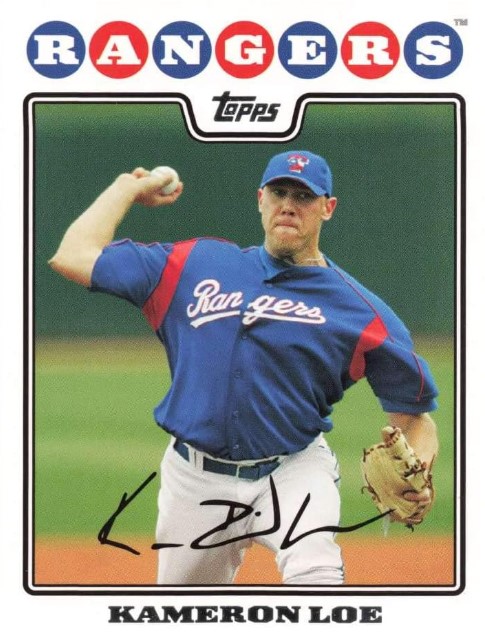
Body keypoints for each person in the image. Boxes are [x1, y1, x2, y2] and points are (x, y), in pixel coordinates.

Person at [49, 150, 439, 585]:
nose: (288, 205)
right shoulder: (193, 265)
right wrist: (125, 189)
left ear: (328, 208)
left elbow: (414, 416)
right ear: (260, 200)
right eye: (279, 193)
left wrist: (420, 466)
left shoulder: (361, 311)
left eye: (304, 196)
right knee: (184, 612)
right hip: (195, 479)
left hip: (293, 471)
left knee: (317, 578)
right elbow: (73, 256)